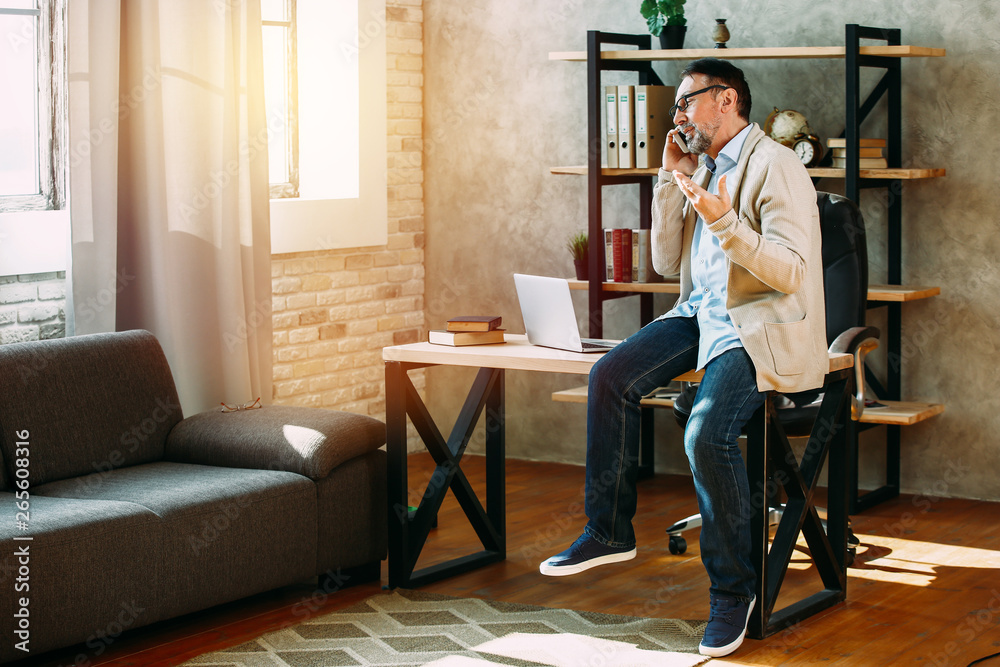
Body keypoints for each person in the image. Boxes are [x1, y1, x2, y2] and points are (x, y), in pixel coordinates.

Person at [538, 58, 827, 658]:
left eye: (686, 102)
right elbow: (667, 264)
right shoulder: (703, 167)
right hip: (701, 314)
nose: (678, 116)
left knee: (705, 433)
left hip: (757, 325)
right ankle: (608, 532)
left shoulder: (778, 166)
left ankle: (733, 592)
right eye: (677, 106)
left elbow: (791, 272)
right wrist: (671, 181)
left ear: (728, 100)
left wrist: (723, 219)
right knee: (609, 375)